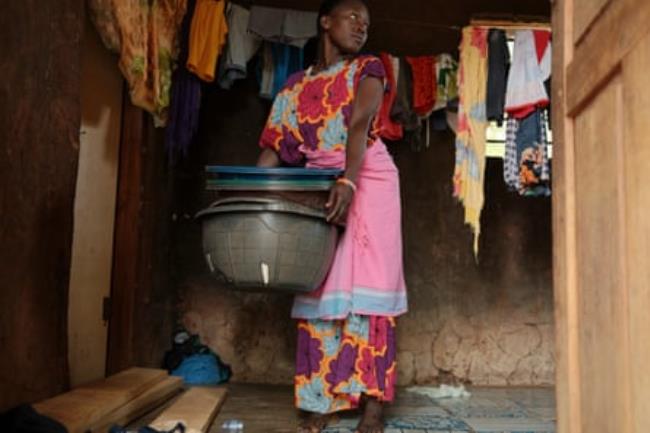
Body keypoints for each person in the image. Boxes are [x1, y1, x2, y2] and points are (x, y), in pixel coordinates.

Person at [256, 1, 407, 432]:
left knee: (370, 289)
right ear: (325, 21)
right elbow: (274, 146)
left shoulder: (369, 69)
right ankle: (322, 399)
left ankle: (373, 405)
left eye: (367, 23)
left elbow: (359, 124)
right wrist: (251, 197)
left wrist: (349, 181)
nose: (361, 27)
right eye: (352, 17)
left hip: (368, 178)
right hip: (317, 183)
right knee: (320, 284)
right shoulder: (292, 87)